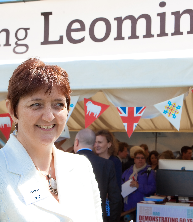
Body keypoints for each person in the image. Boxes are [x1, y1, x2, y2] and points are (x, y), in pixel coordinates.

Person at [0, 58, 102, 222]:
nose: (49, 116)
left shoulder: (81, 167)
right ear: (12, 110)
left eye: (58, 104)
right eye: (36, 104)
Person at [74, 128, 122, 222]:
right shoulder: (106, 164)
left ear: (76, 142)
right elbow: (115, 198)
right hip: (97, 215)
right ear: (93, 144)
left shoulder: (66, 161)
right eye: (96, 142)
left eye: (100, 142)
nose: (97, 145)